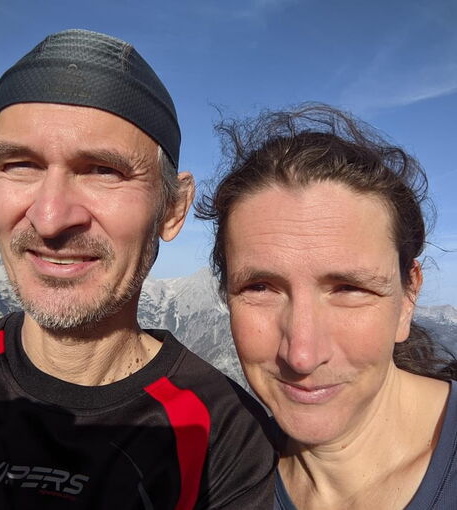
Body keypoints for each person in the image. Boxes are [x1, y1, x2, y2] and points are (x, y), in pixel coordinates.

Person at [0, 29, 276, 509]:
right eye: (20, 164)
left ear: (173, 209)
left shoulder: (223, 439)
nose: (50, 217)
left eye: (104, 170)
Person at [196, 104, 457, 509]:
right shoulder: (216, 483)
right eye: (260, 287)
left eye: (349, 289)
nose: (301, 355)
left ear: (408, 296)